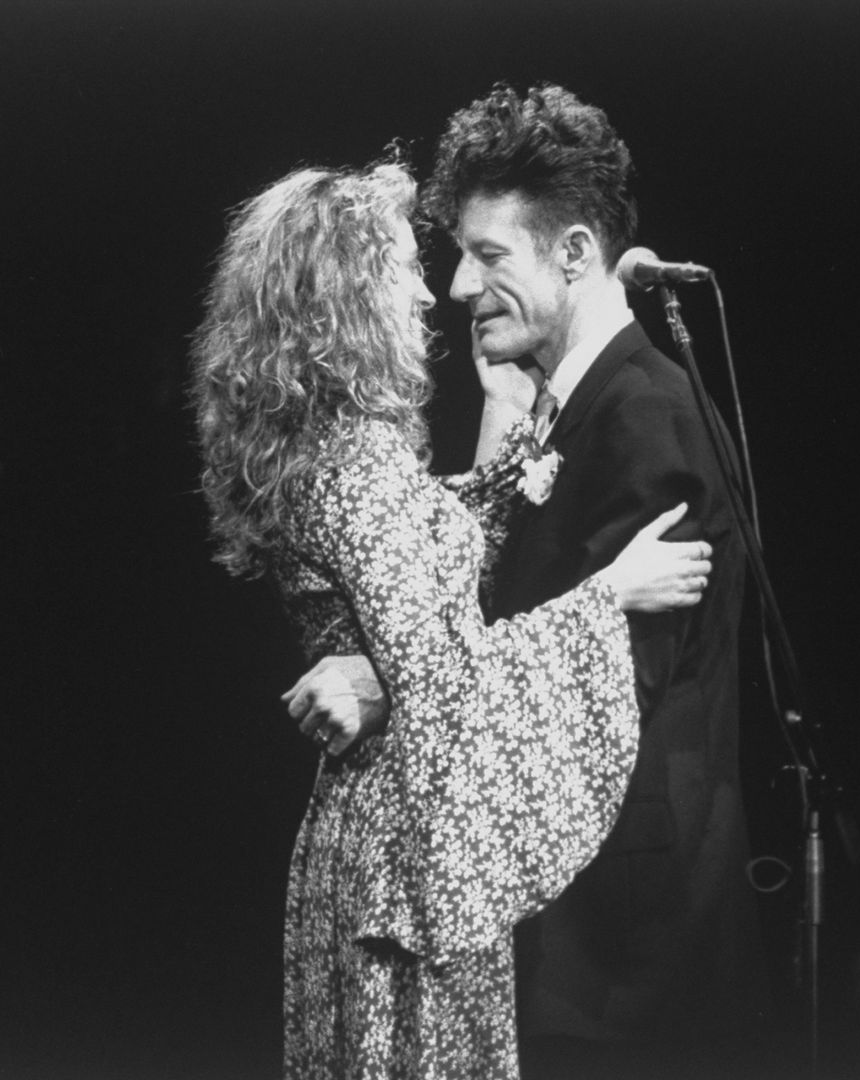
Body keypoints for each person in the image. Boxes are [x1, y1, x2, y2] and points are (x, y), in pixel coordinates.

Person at [190, 159, 715, 1080]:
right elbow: (444, 679)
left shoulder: (338, 451)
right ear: (346, 297)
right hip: (414, 846)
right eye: (403, 267)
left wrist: (508, 429)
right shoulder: (355, 467)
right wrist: (608, 595)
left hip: (393, 829)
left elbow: (432, 560)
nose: (435, 290)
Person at [290, 85, 772, 1079]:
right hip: (577, 937)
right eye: (458, 254)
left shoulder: (641, 416)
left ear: (575, 253)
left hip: (625, 959)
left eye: (490, 254)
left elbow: (604, 697)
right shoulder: (576, 407)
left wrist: (391, 683)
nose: (460, 285)